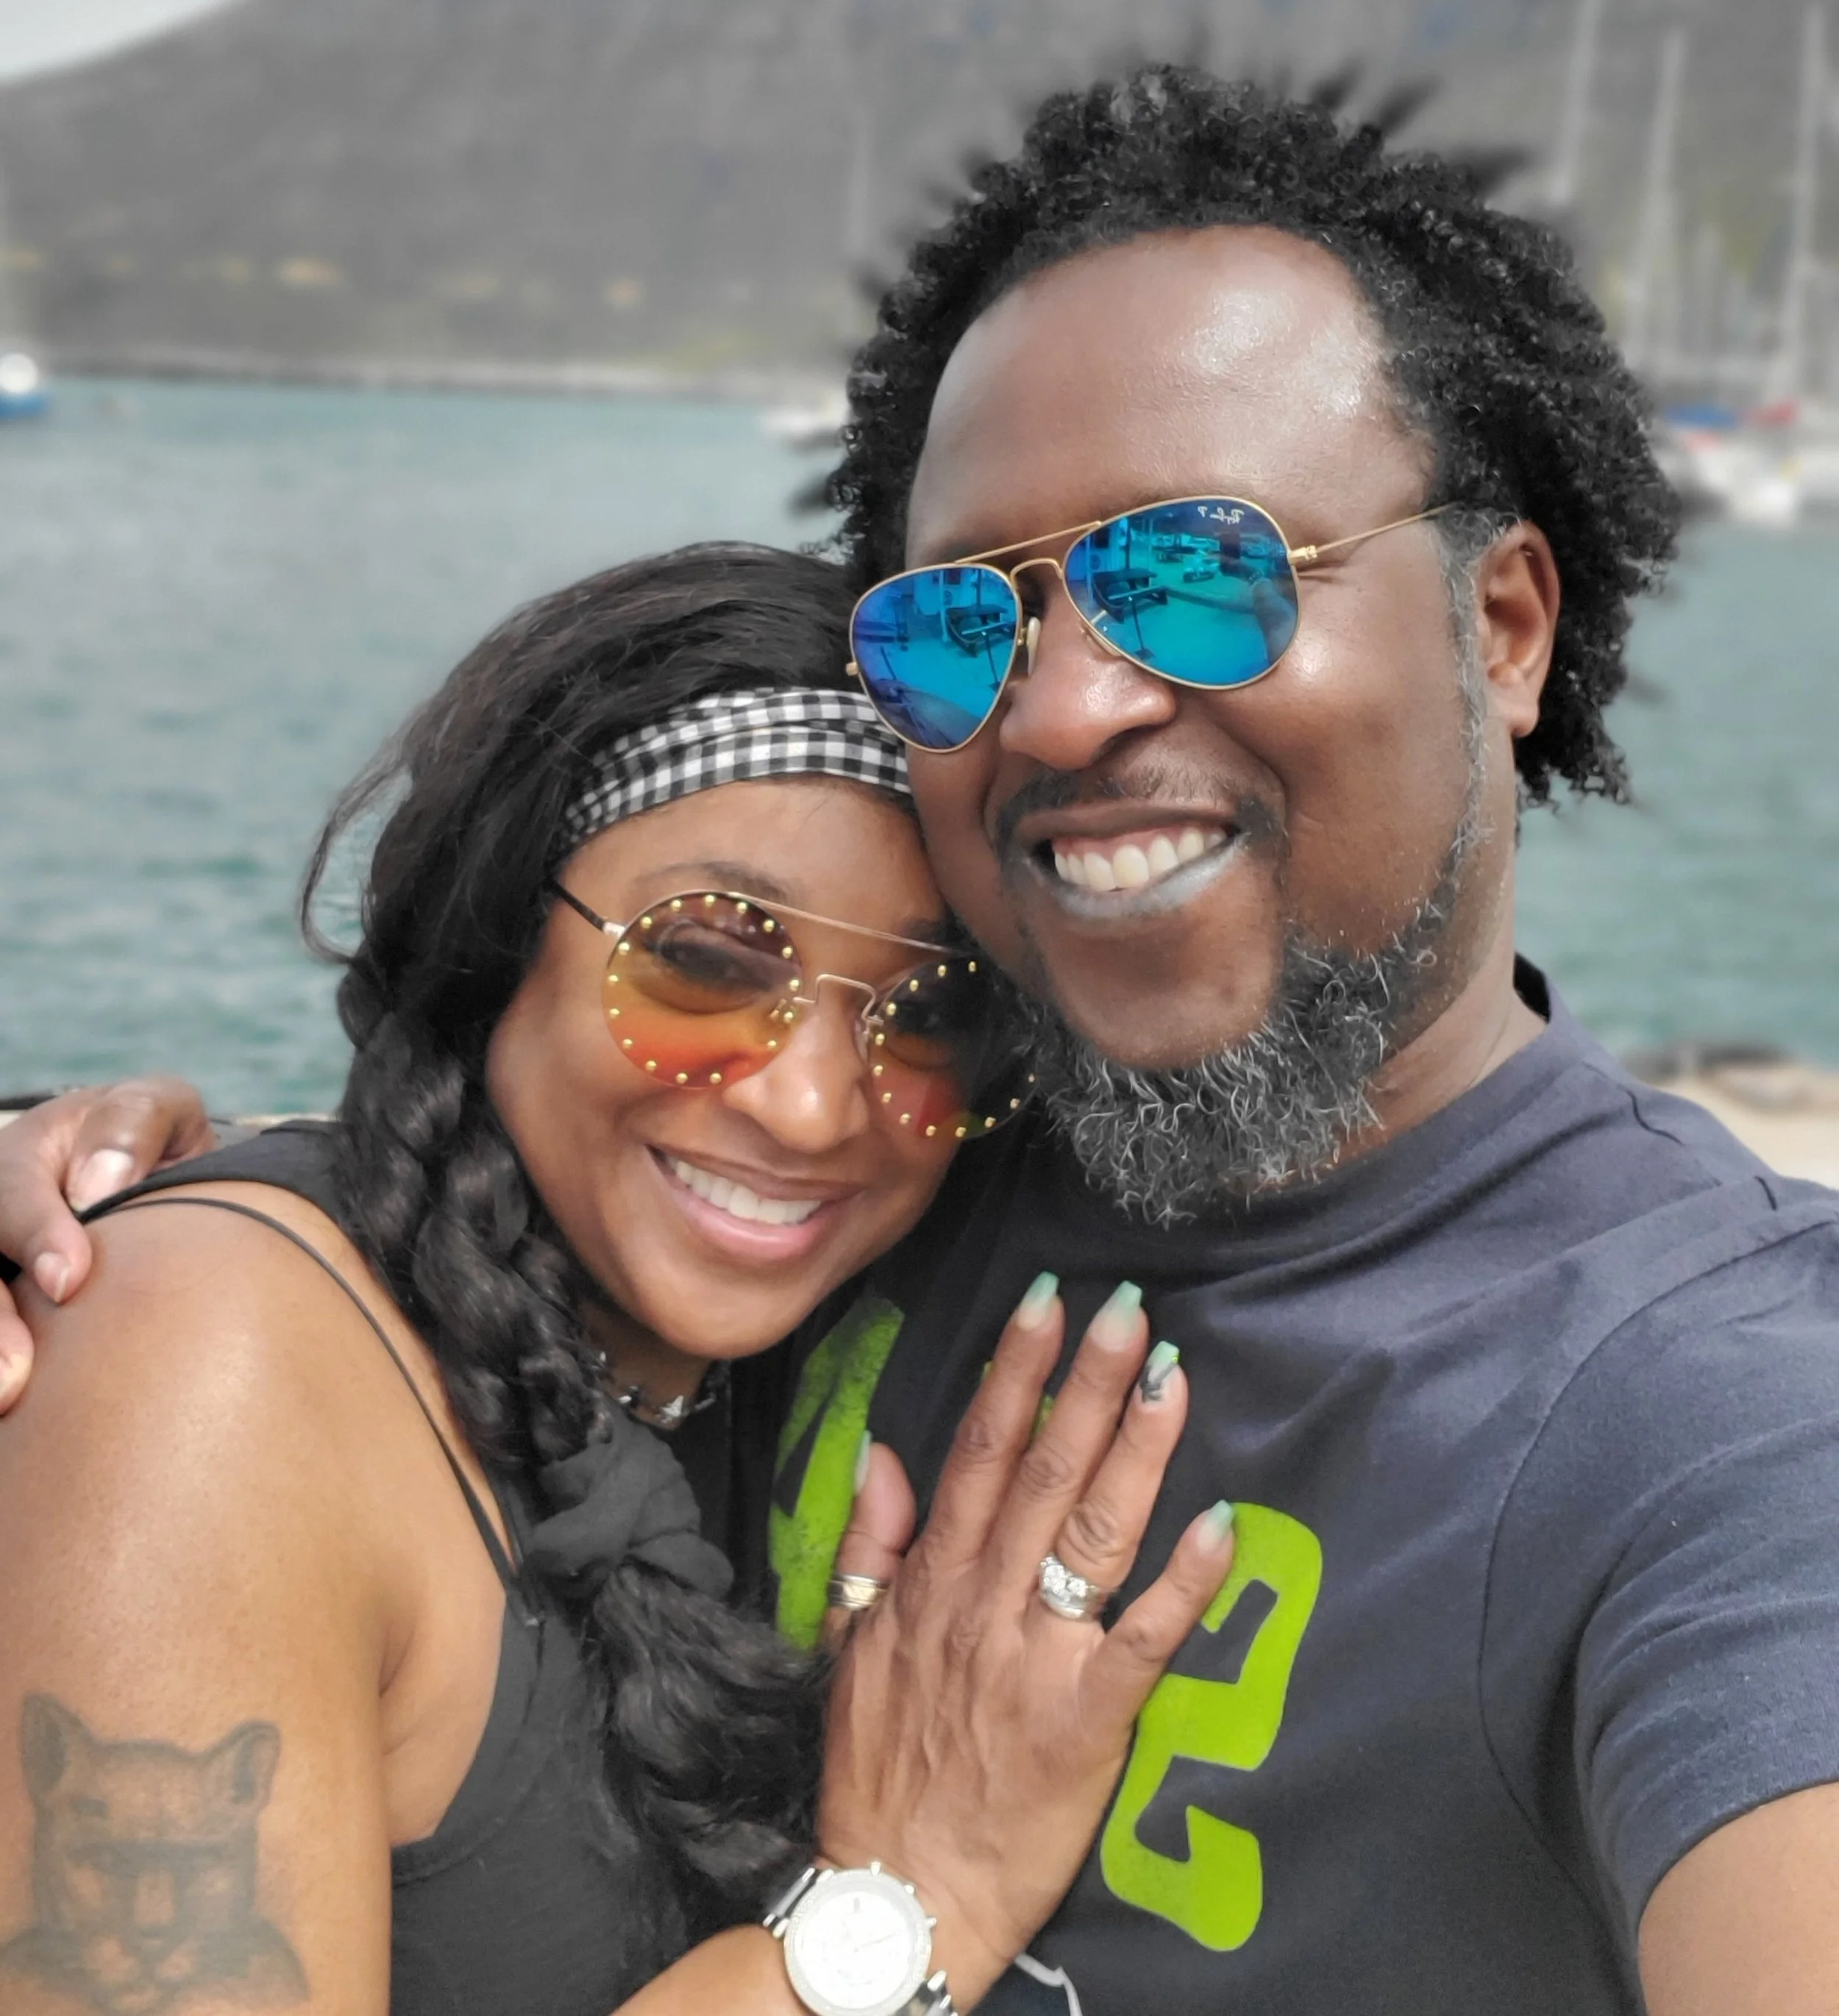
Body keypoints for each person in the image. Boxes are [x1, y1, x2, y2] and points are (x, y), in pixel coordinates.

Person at [5, 68, 1839, 2014]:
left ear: (1503, 623)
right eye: (965, 622)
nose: (1059, 709)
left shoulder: (1715, 1410)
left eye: (1200, 573)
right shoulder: (885, 1174)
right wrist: (115, 1200)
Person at [0, 538, 1234, 2016]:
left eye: (932, 1013)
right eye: (705, 962)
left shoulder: (764, 1350)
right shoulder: (210, 1373)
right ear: (500, 930)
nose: (810, 1105)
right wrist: (913, 1902)